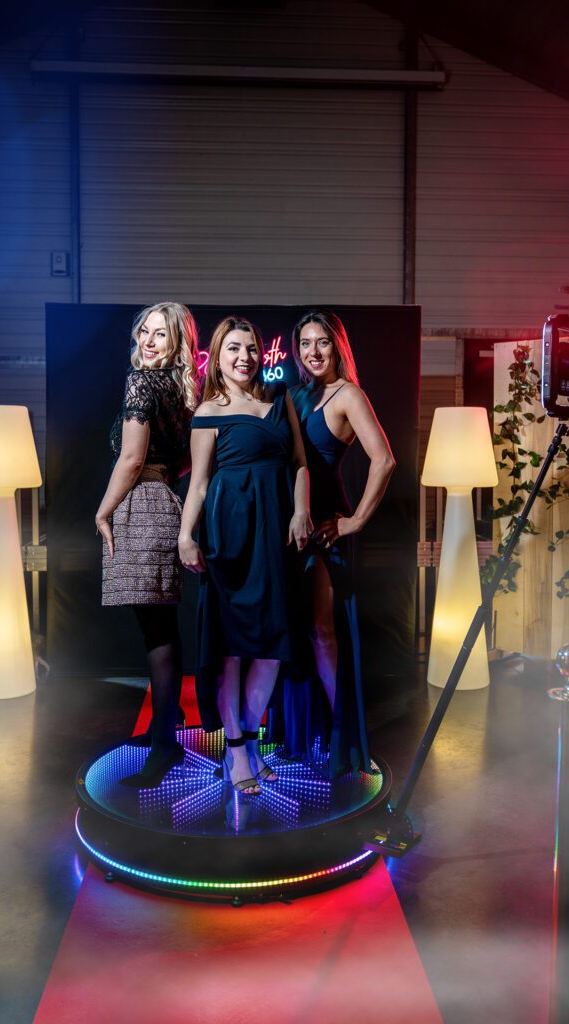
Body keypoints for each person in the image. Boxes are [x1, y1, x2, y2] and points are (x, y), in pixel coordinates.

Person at [178, 316, 311, 795]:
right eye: (233, 348)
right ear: (217, 357)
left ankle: (252, 740)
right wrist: (185, 536)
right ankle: (236, 749)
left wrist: (301, 511)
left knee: (273, 645)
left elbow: (299, 463)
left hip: (275, 533)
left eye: (251, 348)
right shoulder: (208, 411)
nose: (244, 357)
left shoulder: (279, 399)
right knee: (231, 647)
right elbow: (199, 483)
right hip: (230, 534)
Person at [285, 309, 395, 777]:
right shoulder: (295, 394)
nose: (313, 352)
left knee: (322, 631)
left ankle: (341, 738)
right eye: (305, 343)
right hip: (290, 527)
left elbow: (384, 460)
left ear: (337, 347)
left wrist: (355, 522)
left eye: (322, 342)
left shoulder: (348, 395)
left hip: (325, 525)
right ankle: (301, 735)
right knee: (297, 632)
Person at [95, 302, 200, 787]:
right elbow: (187, 458)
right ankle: (166, 724)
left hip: (141, 506)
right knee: (161, 629)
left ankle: (164, 745)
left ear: (177, 341)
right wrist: (163, 476)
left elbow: (132, 459)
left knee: (157, 633)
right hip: (165, 504)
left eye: (160, 334)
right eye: (144, 332)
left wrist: (103, 511)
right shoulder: (181, 389)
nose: (149, 341)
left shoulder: (141, 382)